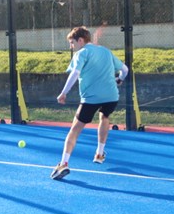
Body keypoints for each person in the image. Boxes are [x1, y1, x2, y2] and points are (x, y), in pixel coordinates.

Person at [51, 26, 128, 180]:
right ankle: (99, 153)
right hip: (112, 96)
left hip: (91, 98)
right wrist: (119, 79)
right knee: (104, 117)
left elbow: (75, 73)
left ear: (80, 40)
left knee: (75, 129)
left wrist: (64, 92)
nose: (71, 46)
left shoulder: (82, 53)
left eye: (72, 43)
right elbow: (124, 69)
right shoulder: (106, 51)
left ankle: (63, 164)